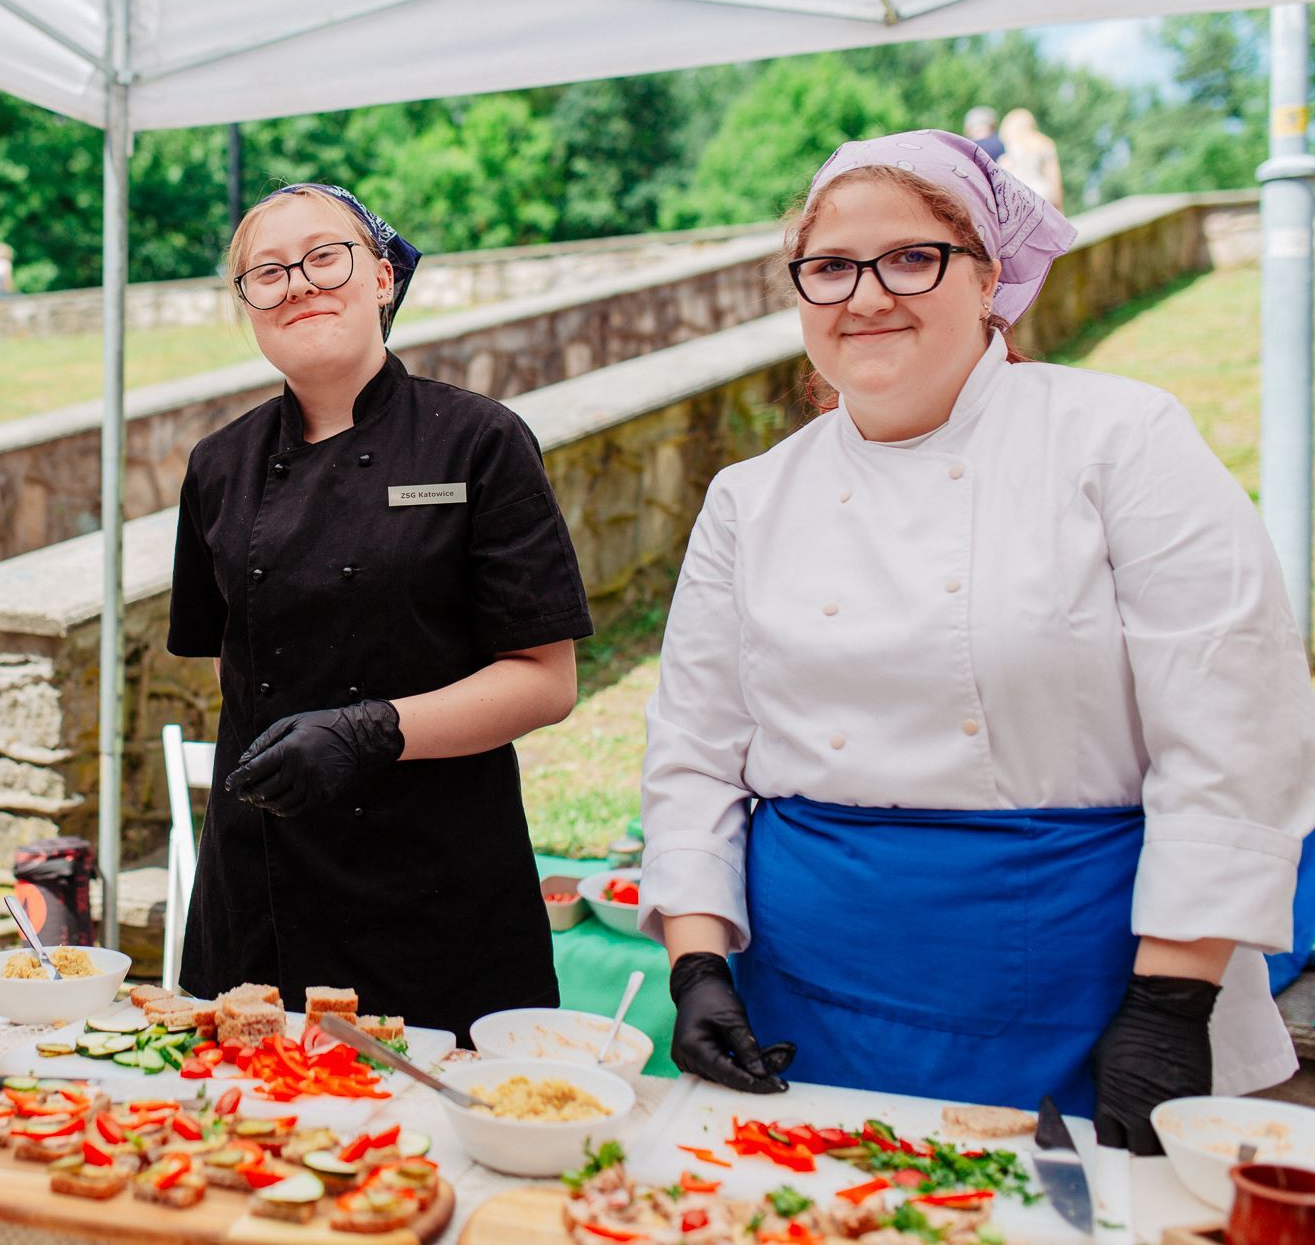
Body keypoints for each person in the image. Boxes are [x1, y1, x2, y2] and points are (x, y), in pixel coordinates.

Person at [638, 131, 1315, 1154]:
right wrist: (697, 966)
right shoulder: (748, 497)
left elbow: (1235, 724)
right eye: (828, 267)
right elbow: (691, 749)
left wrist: (1170, 1003)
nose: (864, 295)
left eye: (911, 257)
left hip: (1082, 974)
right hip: (804, 985)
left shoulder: (1117, 438)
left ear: (988, 277)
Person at [167, 183, 593, 1040]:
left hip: (435, 881)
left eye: (327, 256)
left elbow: (546, 683)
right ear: (247, 305)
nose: (299, 283)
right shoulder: (219, 465)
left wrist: (369, 731)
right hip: (260, 887)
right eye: (267, 272)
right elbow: (230, 660)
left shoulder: (479, 441)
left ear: (383, 278)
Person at [999, 107, 1063, 208]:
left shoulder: (1006, 158)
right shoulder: (1044, 144)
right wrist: (1059, 205)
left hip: (1022, 203)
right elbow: (1054, 177)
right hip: (1044, 196)